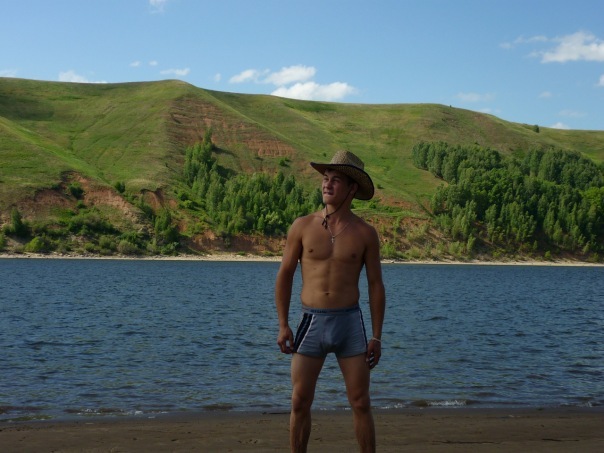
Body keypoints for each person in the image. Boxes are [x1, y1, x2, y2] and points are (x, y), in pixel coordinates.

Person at [275, 150, 386, 453]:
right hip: (311, 321)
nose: (327, 184)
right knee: (300, 401)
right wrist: (283, 324)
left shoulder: (365, 233)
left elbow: (376, 285)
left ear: (352, 188)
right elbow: (285, 274)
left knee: (360, 402)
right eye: (325, 178)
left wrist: (376, 336)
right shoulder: (302, 226)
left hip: (350, 324)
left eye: (336, 180)